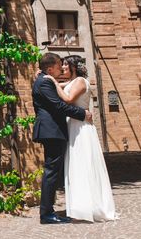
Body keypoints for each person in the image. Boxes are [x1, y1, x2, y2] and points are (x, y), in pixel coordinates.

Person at [43, 55, 117, 222]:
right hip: (74, 126)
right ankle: (80, 206)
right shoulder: (71, 82)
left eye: (65, 67)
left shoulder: (81, 81)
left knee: (83, 163)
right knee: (75, 165)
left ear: (73, 67)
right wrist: (45, 78)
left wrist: (54, 82)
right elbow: (59, 87)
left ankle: (89, 206)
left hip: (81, 128)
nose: (62, 69)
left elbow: (68, 99)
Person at [32, 52, 92, 224]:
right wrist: (82, 113)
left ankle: (49, 211)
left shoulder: (45, 79)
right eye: (59, 66)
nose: (61, 68)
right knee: (51, 172)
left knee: (53, 171)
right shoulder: (44, 82)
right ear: (50, 68)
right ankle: (46, 214)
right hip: (52, 131)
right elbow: (58, 106)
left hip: (52, 130)